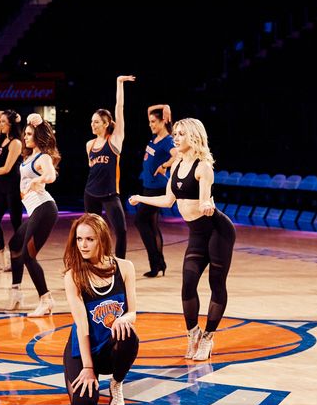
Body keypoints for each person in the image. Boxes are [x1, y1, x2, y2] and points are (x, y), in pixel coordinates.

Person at [129, 118, 236, 362]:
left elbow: (205, 198)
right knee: (188, 285)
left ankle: (208, 338)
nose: (176, 137)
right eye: (175, 133)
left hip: (218, 231)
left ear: (194, 137)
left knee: (216, 284)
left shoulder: (203, 167)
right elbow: (168, 200)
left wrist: (207, 204)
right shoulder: (176, 164)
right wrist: (141, 198)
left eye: (181, 134)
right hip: (197, 234)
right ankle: (193, 333)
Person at [62, 213, 138, 405]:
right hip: (85, 346)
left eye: (89, 239)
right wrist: (87, 368)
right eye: (79, 239)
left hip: (109, 348)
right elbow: (83, 327)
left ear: (102, 239)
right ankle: (74, 369)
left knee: (129, 334)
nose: (83, 245)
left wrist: (123, 319)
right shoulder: (74, 276)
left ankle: (116, 384)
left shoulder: (125, 267)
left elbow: (132, 312)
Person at [7, 113, 61, 316]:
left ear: (38, 136)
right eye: (25, 134)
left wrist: (38, 181)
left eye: (29, 134)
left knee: (29, 256)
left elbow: (51, 175)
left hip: (44, 208)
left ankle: (46, 300)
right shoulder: (28, 158)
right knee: (14, 246)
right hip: (35, 210)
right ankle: (16, 292)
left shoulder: (43, 157)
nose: (26, 137)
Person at [85, 75, 134, 258]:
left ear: (106, 124)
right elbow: (92, 168)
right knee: (90, 233)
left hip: (110, 194)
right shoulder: (89, 145)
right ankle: (92, 262)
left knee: (121, 231)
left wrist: (119, 83)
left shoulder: (114, 141)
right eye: (91, 121)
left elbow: (119, 109)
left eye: (96, 121)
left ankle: (120, 265)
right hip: (90, 194)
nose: (93, 124)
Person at [135, 103, 176, 278]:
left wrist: (165, 165)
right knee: (151, 224)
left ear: (163, 121)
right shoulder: (155, 137)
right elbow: (148, 109)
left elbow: (178, 155)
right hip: (148, 186)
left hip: (157, 188)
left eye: (154, 121)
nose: (151, 124)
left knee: (140, 221)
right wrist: (165, 106)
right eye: (150, 121)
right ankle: (159, 264)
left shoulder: (168, 140)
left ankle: (156, 262)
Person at [0, 110, 25, 272]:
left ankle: (19, 255)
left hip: (13, 187)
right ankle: (3, 254)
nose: (1, 123)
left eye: (4, 121)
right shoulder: (4, 138)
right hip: (2, 189)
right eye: (1, 121)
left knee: (16, 224)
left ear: (10, 125)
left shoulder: (16, 143)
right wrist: (13, 114)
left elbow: (7, 168)